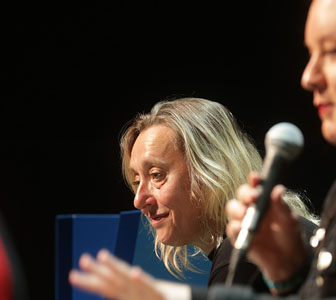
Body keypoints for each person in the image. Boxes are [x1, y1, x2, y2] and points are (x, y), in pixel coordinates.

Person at [71, 0, 336, 298]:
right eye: (136, 179)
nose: (309, 76)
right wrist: (290, 274)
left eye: (333, 51)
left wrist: (175, 298)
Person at [69, 97, 318, 296]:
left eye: (156, 175)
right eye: (136, 181)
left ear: (210, 171)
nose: (138, 199)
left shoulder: (246, 252)